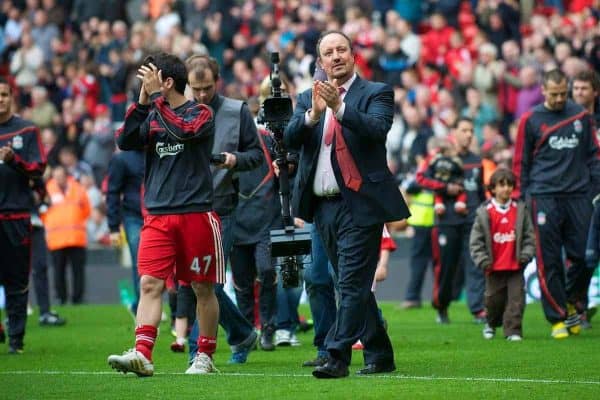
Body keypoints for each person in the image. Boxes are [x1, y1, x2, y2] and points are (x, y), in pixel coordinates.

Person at [284, 30, 410, 378]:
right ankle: (380, 353)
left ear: (353, 56)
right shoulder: (308, 98)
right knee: (349, 281)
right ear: (320, 61)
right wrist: (312, 114)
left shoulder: (376, 92)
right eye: (329, 52)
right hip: (322, 207)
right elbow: (290, 139)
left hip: (361, 203)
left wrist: (339, 108)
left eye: (342, 50)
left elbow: (376, 129)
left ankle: (336, 355)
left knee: (352, 282)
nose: (336, 56)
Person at [107, 52, 221, 376]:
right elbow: (125, 140)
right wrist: (143, 104)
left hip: (196, 212)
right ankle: (143, 353)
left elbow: (184, 131)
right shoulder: (152, 114)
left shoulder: (201, 112)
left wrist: (156, 99)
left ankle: (205, 355)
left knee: (202, 287)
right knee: (149, 284)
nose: (144, 83)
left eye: (149, 77)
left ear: (167, 81)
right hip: (157, 214)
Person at [183, 54, 263, 364]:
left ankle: (197, 352)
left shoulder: (236, 111)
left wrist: (235, 160)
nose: (202, 95)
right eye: (195, 88)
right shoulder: (181, 112)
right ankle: (242, 332)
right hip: (188, 208)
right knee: (198, 284)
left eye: (206, 88)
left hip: (223, 207)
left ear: (217, 82)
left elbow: (256, 155)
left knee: (208, 283)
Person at [512, 69, 600, 339]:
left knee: (585, 256)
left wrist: (595, 189)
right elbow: (521, 162)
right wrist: (521, 197)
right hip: (543, 196)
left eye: (563, 93)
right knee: (549, 260)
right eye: (554, 94)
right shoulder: (531, 119)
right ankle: (558, 318)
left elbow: (594, 155)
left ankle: (573, 300)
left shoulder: (581, 117)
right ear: (544, 91)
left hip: (579, 196)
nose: (560, 98)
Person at [416, 117, 486, 324]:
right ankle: (442, 306)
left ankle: (478, 309)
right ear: (453, 133)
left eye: (471, 131)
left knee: (475, 263)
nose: (469, 135)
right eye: (464, 130)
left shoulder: (476, 160)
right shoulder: (439, 157)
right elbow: (420, 178)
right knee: (446, 267)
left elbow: (480, 192)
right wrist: (445, 188)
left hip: (472, 218)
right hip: (446, 219)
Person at [0, 76, 46, 354]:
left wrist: (13, 160)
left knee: (16, 280)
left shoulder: (26, 130)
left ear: (11, 97)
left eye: (4, 94)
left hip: (15, 217)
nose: (0, 99)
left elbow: (38, 169)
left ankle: (16, 339)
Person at [469, 168, 536, 342]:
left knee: (516, 300)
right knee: (493, 301)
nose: (506, 189)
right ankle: (490, 323)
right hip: (493, 266)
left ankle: (513, 331)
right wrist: (483, 260)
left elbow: (530, 236)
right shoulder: (485, 212)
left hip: (515, 265)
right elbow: (476, 241)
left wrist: (526, 255)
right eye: (501, 185)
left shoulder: (520, 209)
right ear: (492, 188)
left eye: (509, 185)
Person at [571, 69, 600, 328]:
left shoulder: (597, 123)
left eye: (584, 88)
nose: (579, 93)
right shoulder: (566, 123)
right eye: (576, 88)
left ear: (595, 92)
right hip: (580, 195)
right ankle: (578, 304)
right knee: (583, 255)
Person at [42, 165, 91, 305]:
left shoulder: (78, 188)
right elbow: (42, 212)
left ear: (66, 175)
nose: (59, 179)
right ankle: (61, 298)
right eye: (56, 176)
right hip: (56, 239)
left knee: (78, 271)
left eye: (61, 176)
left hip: (76, 237)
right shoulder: (47, 189)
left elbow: (87, 209)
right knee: (58, 271)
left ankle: (78, 298)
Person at [106, 149, 144, 314]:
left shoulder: (161, 152)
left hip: (160, 214)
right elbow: (113, 192)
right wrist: (114, 227)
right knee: (141, 262)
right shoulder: (122, 159)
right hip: (134, 216)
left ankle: (177, 313)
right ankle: (143, 308)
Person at [428, 137, 468, 216]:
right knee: (461, 191)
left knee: (438, 194)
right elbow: (460, 169)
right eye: (452, 149)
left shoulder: (436, 159)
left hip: (439, 183)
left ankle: (440, 205)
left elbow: (430, 167)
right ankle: (459, 203)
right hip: (448, 182)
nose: (455, 151)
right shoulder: (454, 160)